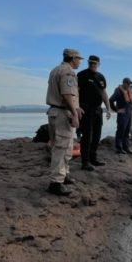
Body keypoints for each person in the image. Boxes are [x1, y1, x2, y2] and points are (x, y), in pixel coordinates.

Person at [46, 48, 84, 196]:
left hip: (57, 111)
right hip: (62, 113)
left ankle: (64, 174)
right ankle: (56, 183)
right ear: (72, 58)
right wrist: (74, 113)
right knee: (61, 149)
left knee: (67, 146)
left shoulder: (56, 70)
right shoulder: (67, 72)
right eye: (78, 59)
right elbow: (66, 94)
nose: (79, 62)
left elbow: (66, 95)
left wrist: (76, 107)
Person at [77, 55, 112, 171]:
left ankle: (93, 158)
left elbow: (103, 93)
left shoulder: (101, 77)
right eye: (90, 63)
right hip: (85, 109)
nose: (92, 65)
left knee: (97, 135)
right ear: (87, 63)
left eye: (94, 63)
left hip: (98, 109)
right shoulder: (81, 75)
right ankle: (85, 162)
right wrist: (76, 107)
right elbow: (75, 92)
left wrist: (108, 108)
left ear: (98, 64)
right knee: (87, 136)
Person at [109, 77, 132, 154]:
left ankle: (126, 147)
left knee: (127, 131)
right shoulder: (118, 90)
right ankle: (119, 148)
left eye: (130, 84)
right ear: (124, 83)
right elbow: (111, 100)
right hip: (122, 114)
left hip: (129, 113)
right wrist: (116, 110)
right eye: (128, 83)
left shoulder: (129, 91)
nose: (129, 85)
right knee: (121, 130)